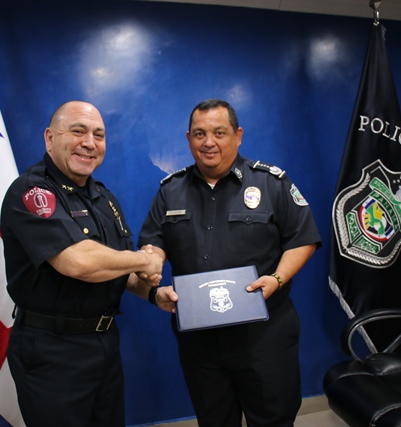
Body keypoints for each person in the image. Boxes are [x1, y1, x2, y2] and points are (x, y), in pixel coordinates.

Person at [138, 99, 322, 427]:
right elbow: (154, 242)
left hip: (264, 336)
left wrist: (278, 279)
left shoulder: (271, 182)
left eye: (219, 132)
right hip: (200, 340)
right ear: (188, 139)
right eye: (199, 134)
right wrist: (153, 264)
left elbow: (303, 238)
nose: (209, 142)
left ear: (238, 136)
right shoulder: (170, 190)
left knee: (273, 421)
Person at [0, 100, 163, 427]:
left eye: (98, 135)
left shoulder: (104, 198)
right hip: (53, 350)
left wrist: (152, 293)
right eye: (78, 131)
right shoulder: (32, 191)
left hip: (104, 343)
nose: (90, 143)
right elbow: (78, 262)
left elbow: (116, 270)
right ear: (50, 138)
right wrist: (145, 259)